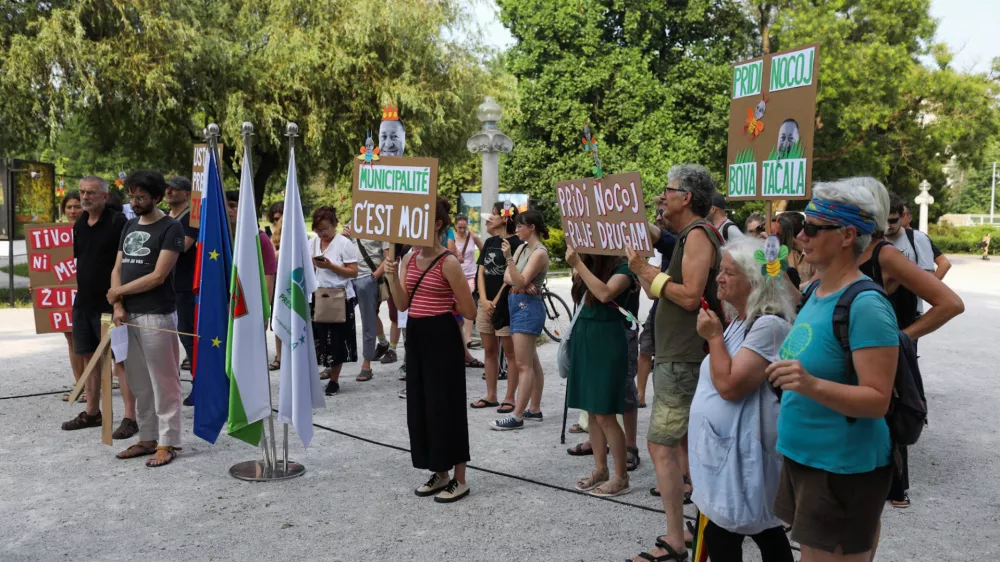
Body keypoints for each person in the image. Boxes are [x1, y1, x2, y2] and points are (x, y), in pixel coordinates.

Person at [764, 178, 899, 561]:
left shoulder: (866, 305)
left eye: (811, 228)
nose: (800, 237)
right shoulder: (817, 292)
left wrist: (808, 384)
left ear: (847, 235)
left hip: (841, 468)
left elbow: (877, 401)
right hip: (807, 459)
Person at [626, 164, 723, 562]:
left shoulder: (699, 234)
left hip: (683, 359)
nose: (661, 197)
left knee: (660, 445)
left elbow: (689, 295)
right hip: (676, 356)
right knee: (683, 446)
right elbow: (660, 290)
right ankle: (701, 524)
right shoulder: (686, 236)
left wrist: (644, 269)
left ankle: (675, 541)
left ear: (687, 197)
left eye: (668, 190)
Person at [857, 182, 964, 509]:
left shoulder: (886, 251)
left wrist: (905, 335)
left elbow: (949, 303)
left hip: (884, 345)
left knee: (890, 411)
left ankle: (896, 489)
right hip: (852, 357)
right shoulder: (845, 250)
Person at [689, 237, 795, 562]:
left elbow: (731, 386)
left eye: (729, 273)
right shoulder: (742, 319)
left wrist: (714, 337)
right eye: (720, 270)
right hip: (728, 451)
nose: (718, 278)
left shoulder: (770, 325)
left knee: (728, 531)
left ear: (754, 280)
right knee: (758, 529)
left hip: (744, 453)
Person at [384, 197, 476, 503]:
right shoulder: (409, 258)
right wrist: (390, 274)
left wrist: (441, 302)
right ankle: (440, 472)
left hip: (442, 335)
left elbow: (469, 309)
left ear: (437, 225)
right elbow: (401, 304)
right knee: (422, 407)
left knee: (447, 405)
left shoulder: (448, 262)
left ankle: (460, 478)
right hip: (418, 335)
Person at [109, 170, 186, 467]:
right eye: (132, 196)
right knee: (139, 382)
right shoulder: (128, 225)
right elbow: (117, 266)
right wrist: (118, 303)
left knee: (164, 382)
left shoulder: (171, 228)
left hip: (157, 315)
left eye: (141, 197)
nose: (135, 202)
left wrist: (117, 292)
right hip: (127, 314)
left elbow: (158, 275)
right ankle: (147, 437)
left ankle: (169, 442)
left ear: (156, 197)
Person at [61, 177, 138, 440]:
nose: (85, 197)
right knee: (88, 357)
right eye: (82, 192)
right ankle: (92, 412)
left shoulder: (119, 223)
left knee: (121, 361)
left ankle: (130, 417)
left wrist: (119, 301)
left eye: (91, 193)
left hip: (111, 303)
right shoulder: (80, 224)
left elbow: (127, 264)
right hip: (83, 303)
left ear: (105, 196)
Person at [565, 246, 639, 497]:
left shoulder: (624, 266)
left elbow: (605, 293)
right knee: (591, 408)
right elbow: (579, 296)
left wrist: (579, 263)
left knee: (605, 413)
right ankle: (601, 469)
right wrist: (580, 263)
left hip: (607, 338)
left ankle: (621, 476)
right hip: (585, 335)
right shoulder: (589, 262)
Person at [489, 210, 550, 431]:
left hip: (527, 306)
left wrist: (516, 274)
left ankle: (517, 416)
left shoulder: (539, 252)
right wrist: (518, 279)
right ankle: (534, 409)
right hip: (518, 302)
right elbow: (508, 278)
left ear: (531, 227)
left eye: (520, 226)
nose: (516, 230)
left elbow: (519, 278)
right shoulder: (523, 248)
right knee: (531, 361)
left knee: (524, 364)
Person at [471, 202, 521, 412]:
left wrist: (497, 299)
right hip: (486, 304)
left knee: (510, 353)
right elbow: (481, 271)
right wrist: (482, 299)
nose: (488, 218)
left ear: (505, 218)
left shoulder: (518, 244)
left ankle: (510, 397)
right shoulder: (490, 242)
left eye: (492, 214)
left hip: (506, 305)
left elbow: (512, 277)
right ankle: (491, 395)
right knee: (489, 351)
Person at [308, 206, 359, 396]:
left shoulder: (344, 244)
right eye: (318, 230)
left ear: (334, 225)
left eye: (325, 229)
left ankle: (334, 380)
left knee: (337, 341)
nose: (322, 234)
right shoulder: (312, 243)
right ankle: (321, 373)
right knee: (318, 340)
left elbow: (353, 272)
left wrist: (330, 266)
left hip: (339, 297)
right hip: (317, 295)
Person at [339, 225, 390, 382]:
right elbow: (338, 250)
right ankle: (334, 362)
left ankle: (366, 365)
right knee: (339, 320)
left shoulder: (382, 226)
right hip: (348, 279)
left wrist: (373, 277)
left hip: (367, 279)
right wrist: (343, 237)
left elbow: (388, 257)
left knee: (368, 321)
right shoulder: (351, 224)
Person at [165, 177, 198, 385]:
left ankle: (199, 382)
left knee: (188, 336)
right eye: (167, 188)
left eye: (174, 189)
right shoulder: (164, 217)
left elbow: (181, 247)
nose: (169, 191)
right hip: (166, 285)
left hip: (185, 287)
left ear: (187, 194)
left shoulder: (191, 219)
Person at [58, 192, 84, 401]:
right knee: (71, 337)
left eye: (77, 206)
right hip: (64, 291)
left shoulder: (91, 230)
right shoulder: (55, 234)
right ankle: (80, 385)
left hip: (86, 290)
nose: (73, 211)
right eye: (69, 207)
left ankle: (91, 387)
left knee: (87, 339)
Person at [453, 214, 484, 352]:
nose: (462, 230)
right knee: (456, 305)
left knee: (468, 303)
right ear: (455, 226)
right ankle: (457, 334)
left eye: (464, 227)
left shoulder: (473, 236)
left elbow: (484, 250)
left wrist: (482, 265)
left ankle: (468, 337)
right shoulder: (451, 238)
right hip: (455, 275)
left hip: (470, 275)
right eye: (459, 227)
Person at [902, 203, 951, 279]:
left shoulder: (918, 237)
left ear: (910, 218)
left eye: (902, 214)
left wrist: (929, 288)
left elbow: (944, 263)